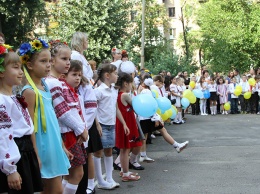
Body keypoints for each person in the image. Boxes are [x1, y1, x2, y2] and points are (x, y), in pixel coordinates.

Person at [19, 39, 71, 194]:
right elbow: (31, 126)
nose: (48, 65)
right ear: (29, 65)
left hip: (52, 143)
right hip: (42, 146)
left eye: (49, 61)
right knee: (53, 190)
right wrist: (35, 154)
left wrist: (61, 145)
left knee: (53, 190)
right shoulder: (29, 91)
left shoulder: (45, 85)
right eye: (43, 61)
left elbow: (52, 118)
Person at [45, 40, 88, 194]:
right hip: (66, 132)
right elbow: (62, 111)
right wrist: (80, 128)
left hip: (69, 131)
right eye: (64, 59)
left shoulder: (58, 81)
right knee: (76, 174)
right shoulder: (53, 82)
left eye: (69, 59)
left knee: (71, 175)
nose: (68, 63)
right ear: (52, 60)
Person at [0, 44, 42, 194]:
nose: (21, 72)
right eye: (16, 67)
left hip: (25, 151)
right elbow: (3, 136)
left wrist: (34, 154)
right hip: (14, 153)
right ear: (1, 72)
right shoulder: (1, 101)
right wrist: (10, 169)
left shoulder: (13, 97)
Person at [138, 74, 189, 163]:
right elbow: (150, 104)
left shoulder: (144, 89)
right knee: (150, 134)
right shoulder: (147, 91)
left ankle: (143, 155)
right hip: (149, 117)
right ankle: (176, 146)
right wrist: (156, 117)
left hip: (146, 116)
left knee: (148, 135)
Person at [93, 63, 129, 189]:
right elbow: (93, 109)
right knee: (98, 152)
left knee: (109, 151)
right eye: (115, 73)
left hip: (111, 124)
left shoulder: (114, 90)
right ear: (107, 75)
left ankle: (109, 178)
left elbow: (116, 108)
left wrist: (123, 123)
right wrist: (97, 124)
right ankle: (99, 180)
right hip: (102, 124)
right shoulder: (98, 91)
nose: (117, 75)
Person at [115, 72, 142, 181]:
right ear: (126, 84)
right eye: (131, 83)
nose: (132, 85)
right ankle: (126, 174)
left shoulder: (118, 94)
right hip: (126, 124)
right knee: (125, 149)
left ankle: (124, 170)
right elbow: (137, 106)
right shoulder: (125, 95)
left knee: (124, 149)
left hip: (124, 123)